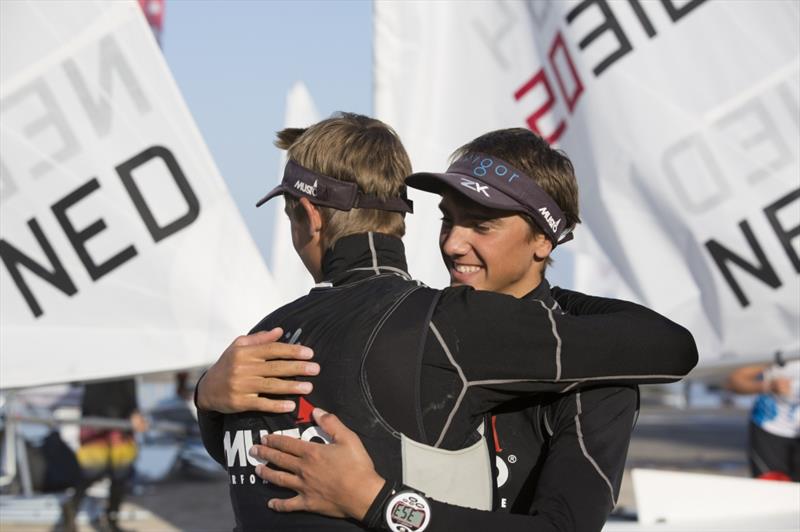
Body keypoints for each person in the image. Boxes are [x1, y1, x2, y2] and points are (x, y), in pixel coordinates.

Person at [196, 115, 697, 531]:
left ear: (544, 240)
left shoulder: (595, 372)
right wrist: (210, 397)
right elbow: (261, 466)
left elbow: (562, 529)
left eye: (481, 224)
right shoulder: (422, 324)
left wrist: (380, 504)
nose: (453, 243)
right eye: (445, 218)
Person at [59, 378, 147, 532]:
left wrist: (135, 412)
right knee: (93, 471)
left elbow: (129, 386)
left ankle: (112, 520)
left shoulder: (128, 364)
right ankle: (71, 507)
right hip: (95, 419)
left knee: (121, 474)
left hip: (122, 421)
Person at [727, 354, 799, 481]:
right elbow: (734, 381)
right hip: (769, 430)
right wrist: (769, 386)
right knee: (771, 491)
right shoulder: (785, 352)